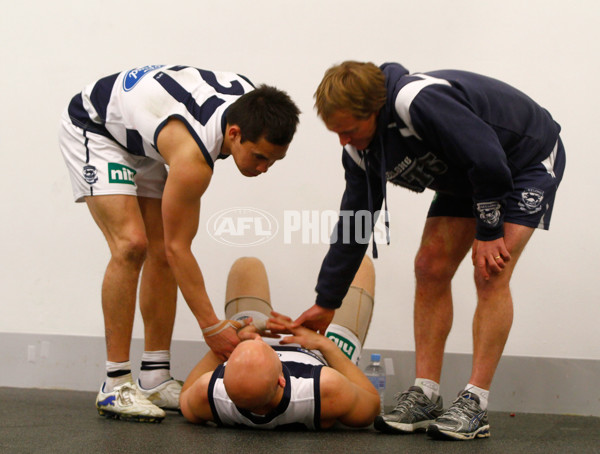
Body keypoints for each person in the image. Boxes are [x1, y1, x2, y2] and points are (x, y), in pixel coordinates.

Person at [295, 61, 565, 440]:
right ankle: (426, 394)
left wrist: (488, 232)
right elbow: (354, 224)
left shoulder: (418, 102)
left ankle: (475, 402)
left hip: (525, 159)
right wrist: (327, 300)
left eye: (349, 130)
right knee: (429, 266)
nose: (342, 140)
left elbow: (490, 160)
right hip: (471, 172)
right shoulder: (361, 151)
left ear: (375, 109)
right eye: (335, 132)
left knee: (490, 269)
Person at [59, 65, 300, 422]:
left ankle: (155, 376)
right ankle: (115, 384)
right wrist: (211, 327)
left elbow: (170, 250)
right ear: (234, 133)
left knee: (158, 249)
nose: (264, 168)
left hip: (148, 136)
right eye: (259, 157)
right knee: (131, 245)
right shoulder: (193, 156)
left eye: (274, 160)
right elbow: (179, 248)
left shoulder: (253, 106)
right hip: (97, 127)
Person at [180, 256, 380, 429]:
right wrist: (322, 343)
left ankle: (247, 342)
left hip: (250, 345)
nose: (262, 341)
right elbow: (371, 406)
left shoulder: (210, 392)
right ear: (281, 380)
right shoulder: (325, 387)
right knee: (361, 264)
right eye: (264, 345)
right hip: (319, 354)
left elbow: (185, 397)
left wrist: (240, 337)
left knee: (247, 266)